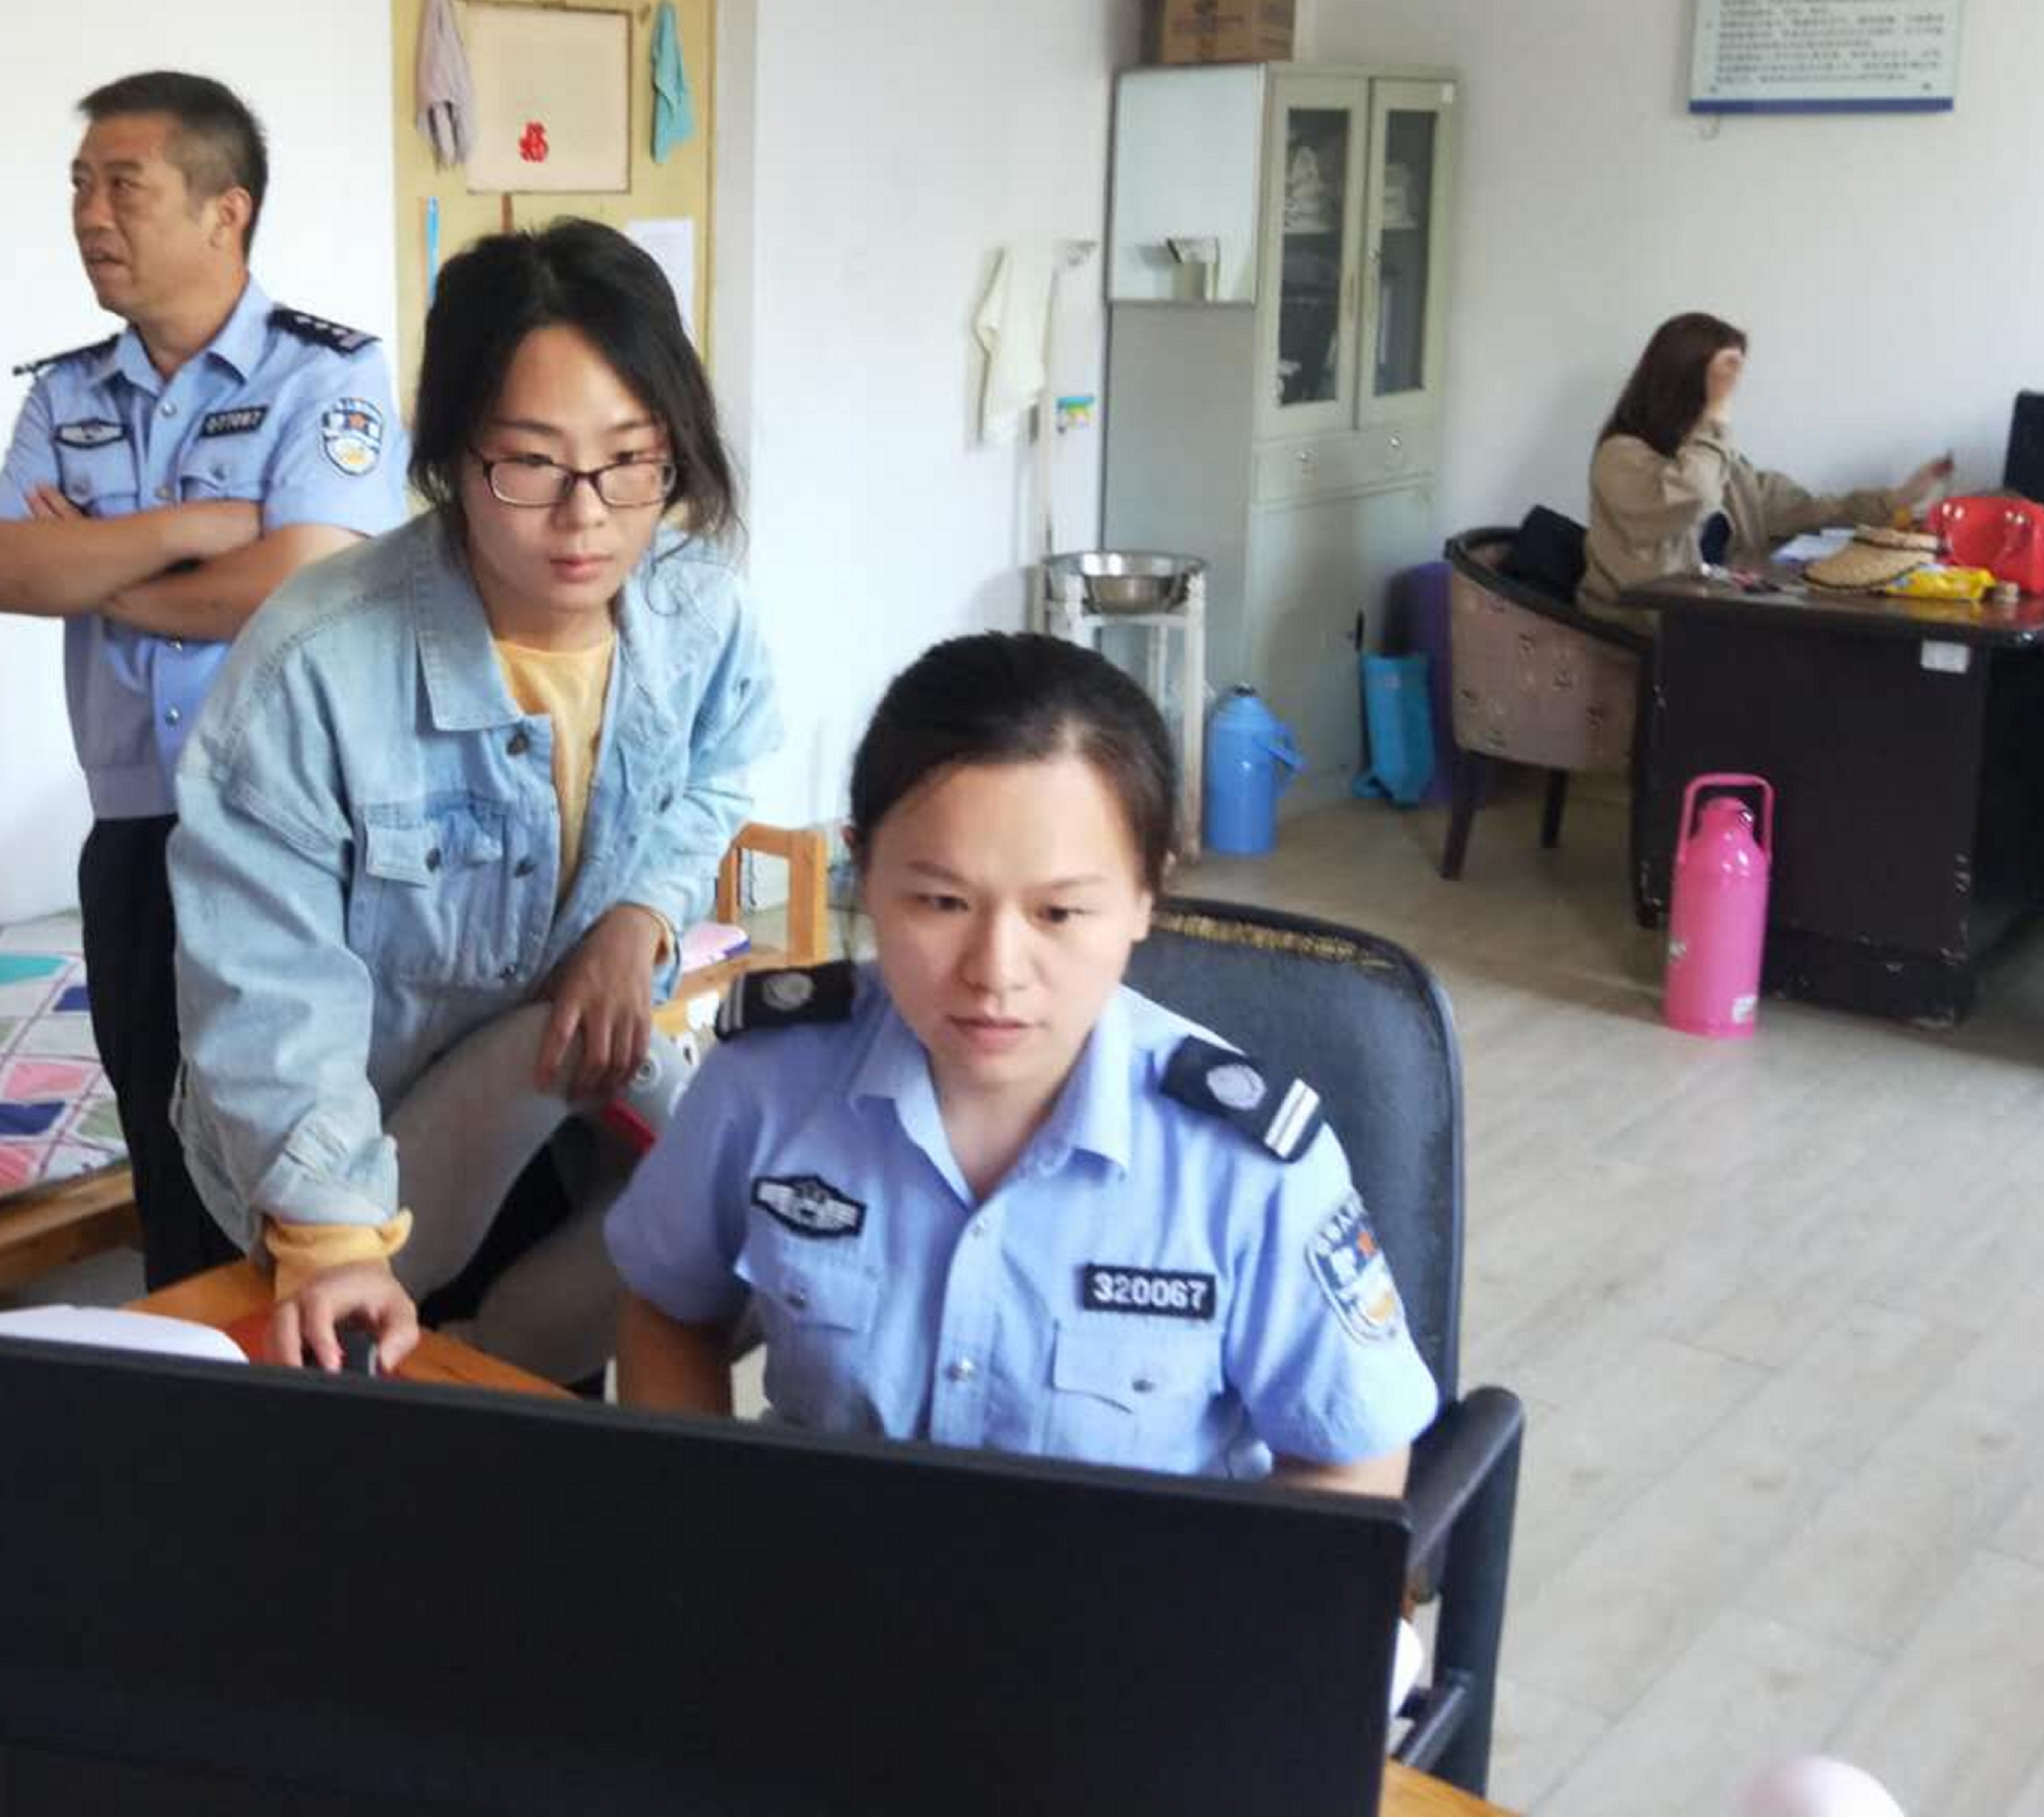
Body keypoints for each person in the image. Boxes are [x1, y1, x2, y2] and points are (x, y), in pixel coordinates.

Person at [606, 632, 1435, 1494]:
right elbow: (667, 1305)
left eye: (1059, 913)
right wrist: (703, 1519)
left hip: (1137, 1577)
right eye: (941, 902)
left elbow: (1350, 1458)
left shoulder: (1242, 1166)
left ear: (1145, 896)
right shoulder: (767, 1081)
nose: (995, 972)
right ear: (863, 871)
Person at [168, 218, 777, 1377]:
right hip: (334, 1131)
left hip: (547, 1108)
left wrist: (641, 915)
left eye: (631, 460)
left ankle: (502, 1360)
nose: (587, 516)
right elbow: (272, 990)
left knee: (721, 1247)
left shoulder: (699, 608)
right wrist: (333, 1240)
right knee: (351, 1411)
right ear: (453, 454)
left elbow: (720, 766)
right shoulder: (317, 665)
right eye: (532, 464)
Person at [0, 71, 406, 1288]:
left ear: (227, 211)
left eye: (124, 186)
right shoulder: (68, 391)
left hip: (298, 841)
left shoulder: (326, 377)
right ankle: (199, 1378)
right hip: (135, 841)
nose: (89, 215)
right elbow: (2, 568)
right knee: (168, 1170)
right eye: (79, 186)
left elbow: (303, 579)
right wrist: (192, 529)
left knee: (302, 1162)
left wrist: (101, 574)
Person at [1580, 311, 1952, 619]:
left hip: (1710, 623)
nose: (1732, 392)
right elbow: (1693, 496)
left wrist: (1897, 500)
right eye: (1723, 380)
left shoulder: (1716, 460)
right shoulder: (1621, 456)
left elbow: (1805, 508)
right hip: (1645, 636)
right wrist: (1715, 417)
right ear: (1686, 380)